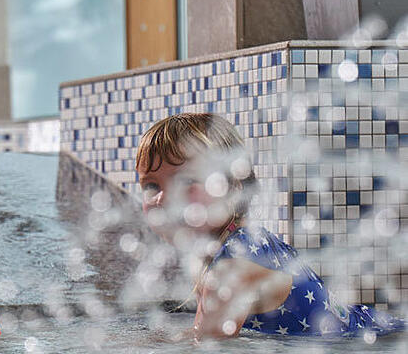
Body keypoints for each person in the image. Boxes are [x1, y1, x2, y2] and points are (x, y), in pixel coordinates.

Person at [135, 112, 404, 338]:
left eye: (185, 180)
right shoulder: (243, 242)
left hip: (379, 345)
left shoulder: (231, 268)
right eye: (151, 185)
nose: (163, 198)